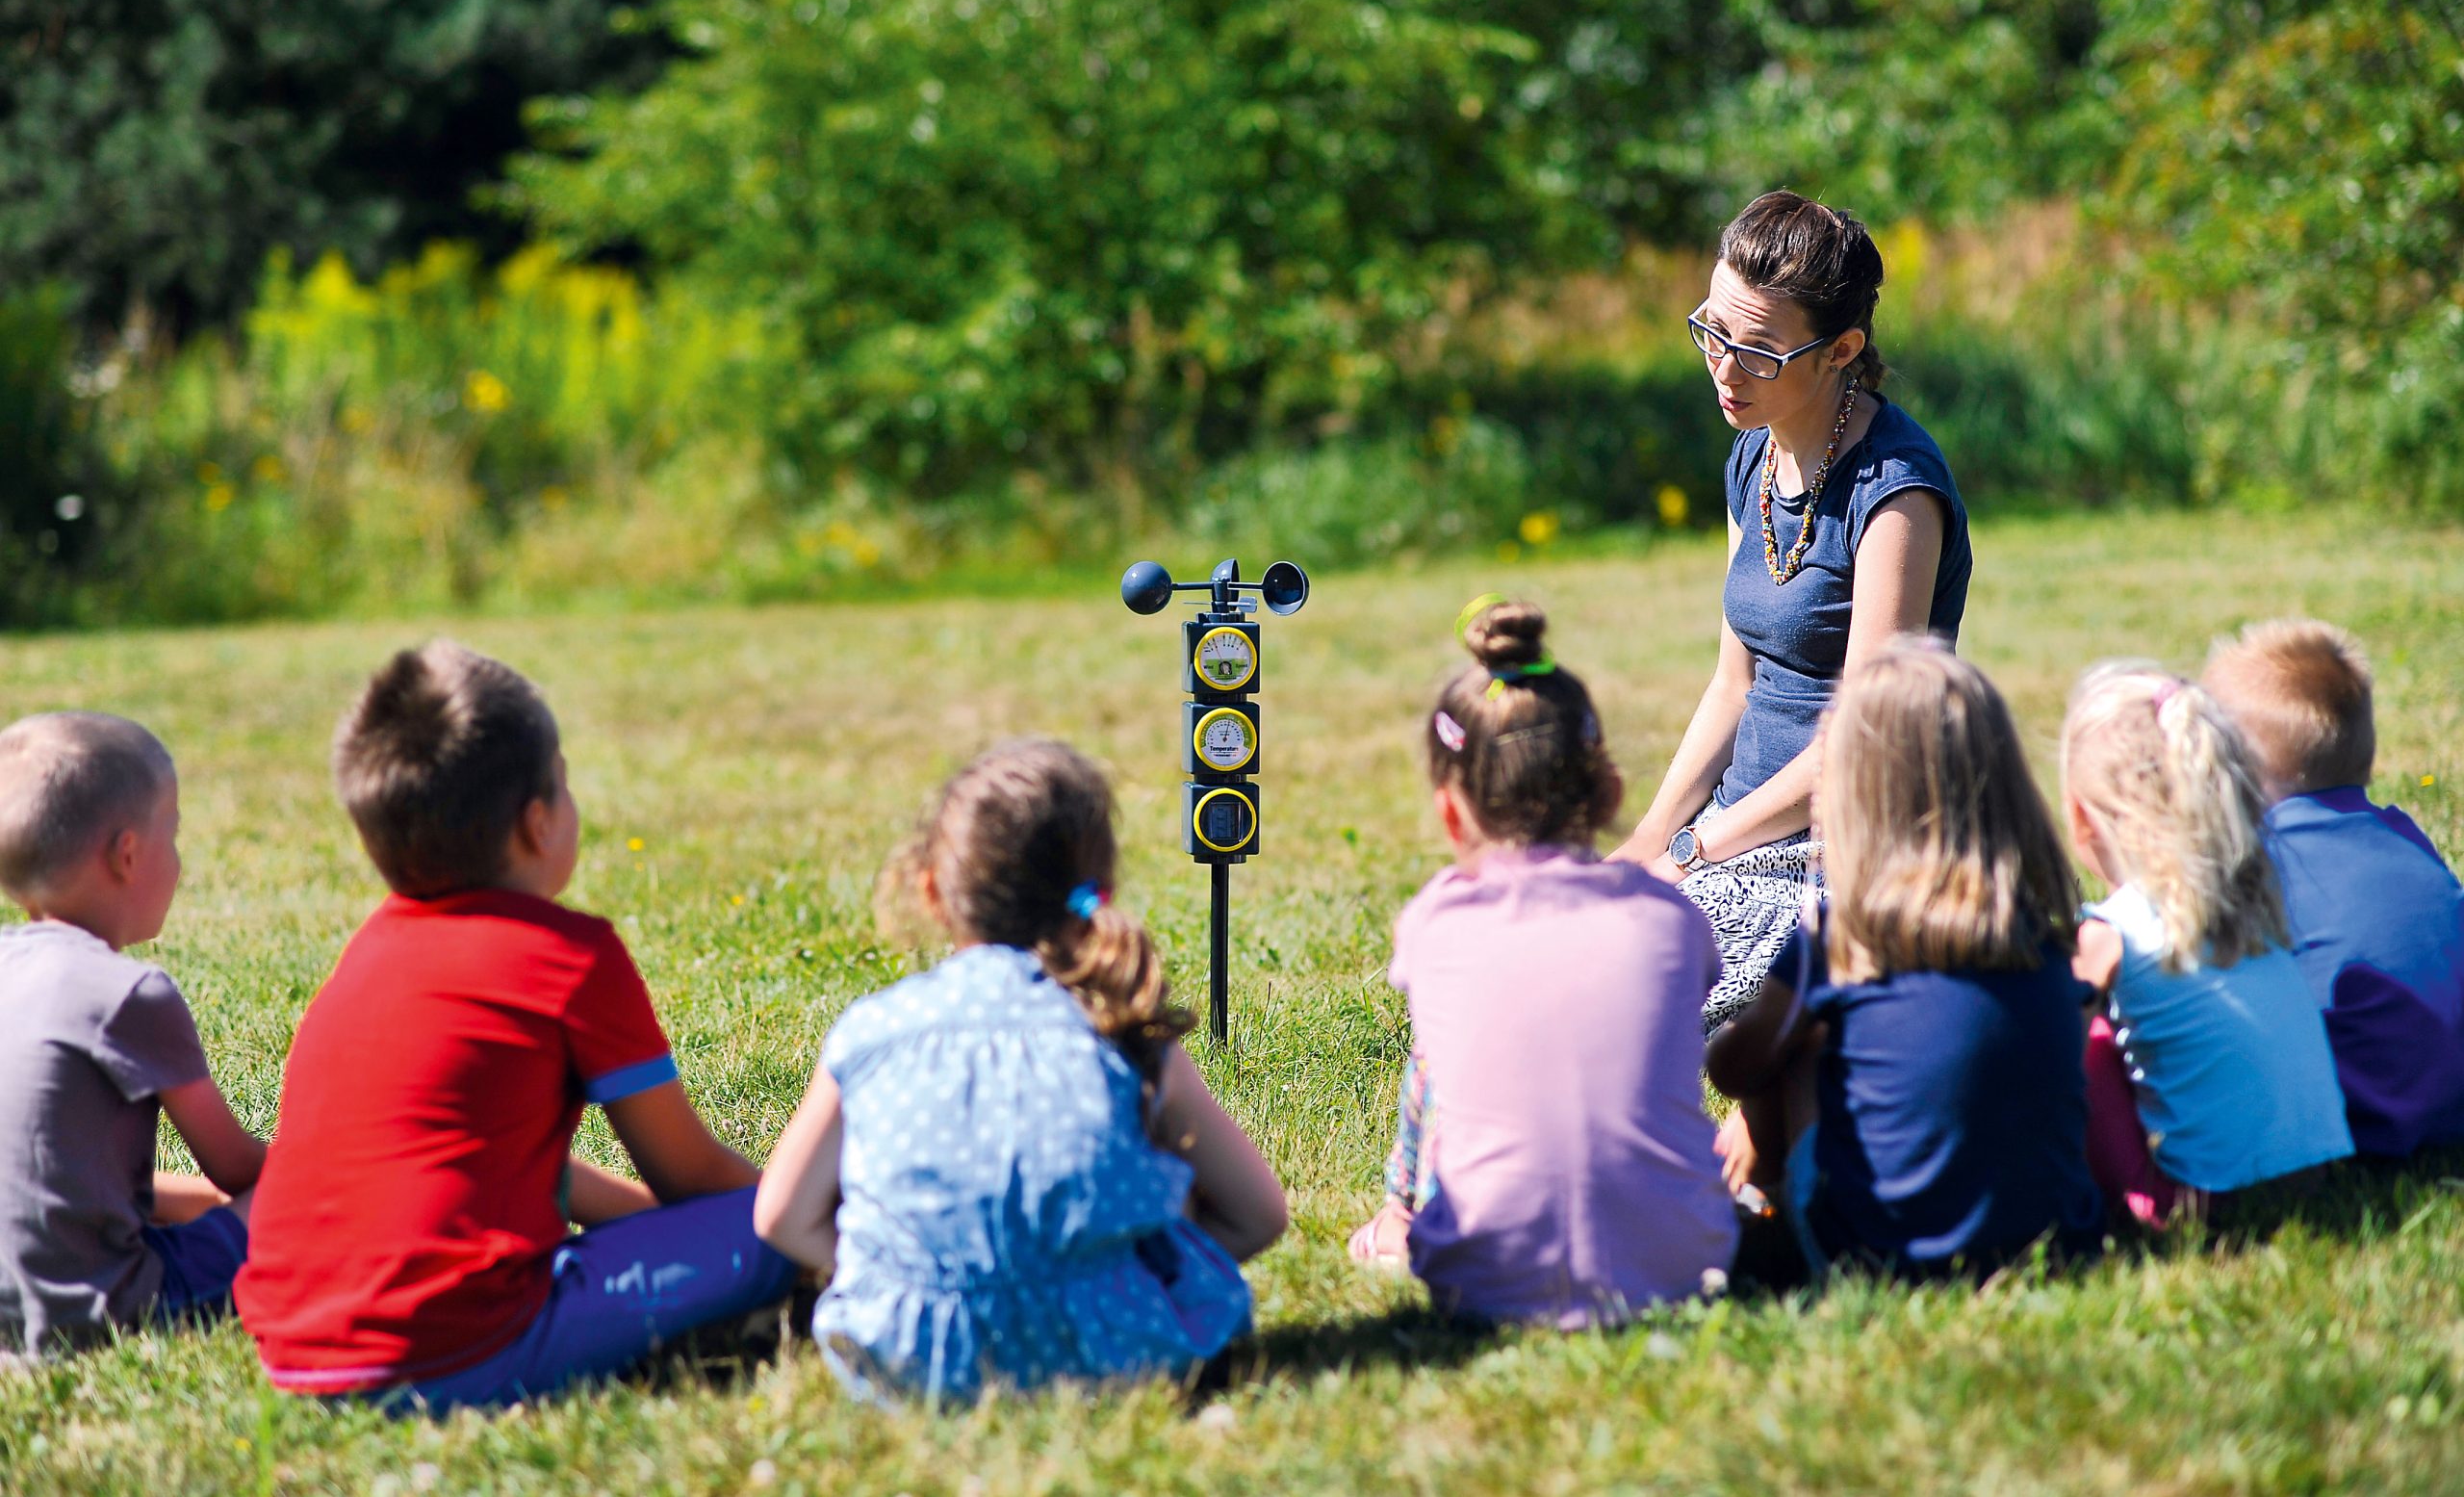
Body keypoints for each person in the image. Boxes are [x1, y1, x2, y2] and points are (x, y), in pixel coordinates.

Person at [235, 641, 791, 1411]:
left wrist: (665, 1228)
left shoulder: (366, 955)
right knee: (777, 1226)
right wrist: (803, 1218)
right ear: (538, 824)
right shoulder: (570, 956)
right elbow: (690, 1174)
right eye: (564, 782)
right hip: (456, 1351)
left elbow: (520, 1170)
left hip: (295, 1351)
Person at [753, 738, 1286, 1403]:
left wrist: (894, 1276)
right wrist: (1143, 1268)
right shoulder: (1125, 1033)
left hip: (912, 1357)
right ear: (1098, 891)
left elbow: (781, 1216)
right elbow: (1258, 1215)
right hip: (1117, 1351)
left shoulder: (873, 1031)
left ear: (932, 890)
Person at [1609, 191, 1973, 1033]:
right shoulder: (1752, 453)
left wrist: (1694, 853)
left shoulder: (1895, 493)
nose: (1725, 369)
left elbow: (1866, 738)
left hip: (1849, 845)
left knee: (1635, 997)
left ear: (1842, 349)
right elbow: (1732, 684)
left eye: (1759, 352)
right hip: (1737, 831)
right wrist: (1650, 840)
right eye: (1713, 333)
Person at [1346, 600, 1736, 1322]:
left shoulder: (1436, 924)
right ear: (1610, 791)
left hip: (1484, 1275)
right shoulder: (1672, 920)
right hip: (1686, 1263)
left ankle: (1398, 1218)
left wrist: (1402, 1205)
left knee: (1433, 1058)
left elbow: (1432, 1082)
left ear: (1451, 813)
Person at [1706, 639, 2104, 1279]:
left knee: (1799, 1048)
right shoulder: (2043, 931)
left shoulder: (1840, 940)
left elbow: (1734, 1070)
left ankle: (1763, 1213)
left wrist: (1743, 1030)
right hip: (2059, 1239)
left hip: (1876, 1256)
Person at [0, 712, 264, 1357]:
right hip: (109, 1308)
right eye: (172, 835)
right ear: (127, 854)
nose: (177, 859)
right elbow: (238, 1166)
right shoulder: (130, 994)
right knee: (289, 1197)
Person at [2060, 663, 2353, 1226]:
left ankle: (2130, 1201)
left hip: (2195, 1206)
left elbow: (2051, 1057)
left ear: (2081, 816)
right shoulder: (2255, 897)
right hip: (2316, 1178)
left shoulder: (2109, 931)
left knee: (2087, 1037)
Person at [2203, 620, 2464, 1158]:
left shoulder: (2257, 864)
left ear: (2234, 773)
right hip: (2452, 1101)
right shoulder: (2403, 834)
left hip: (2350, 1122)